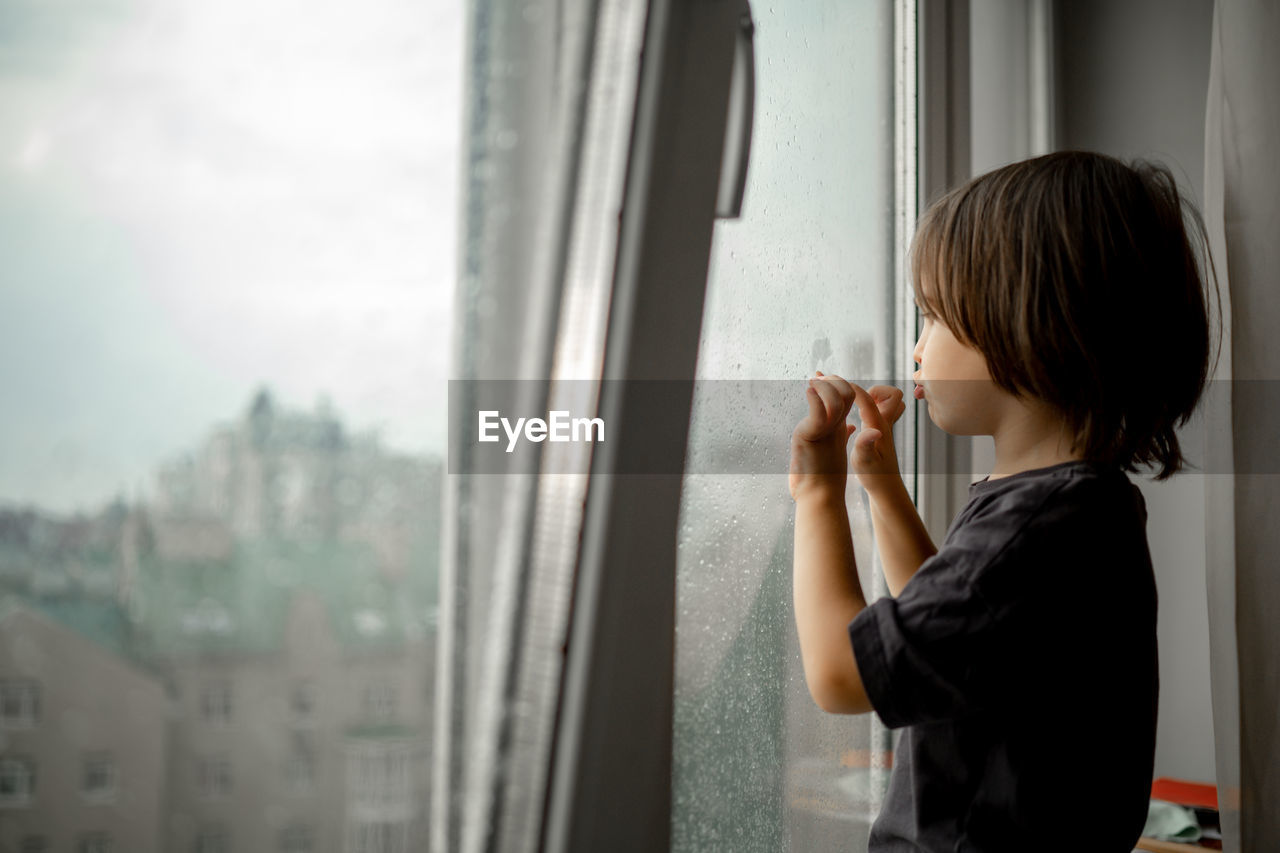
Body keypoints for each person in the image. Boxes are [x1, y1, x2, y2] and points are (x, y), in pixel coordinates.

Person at [788, 151, 1220, 852]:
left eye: (933, 315)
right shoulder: (1069, 506)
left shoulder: (1038, 528)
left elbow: (840, 674)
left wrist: (816, 491)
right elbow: (955, 632)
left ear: (1026, 320)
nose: (918, 348)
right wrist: (878, 481)